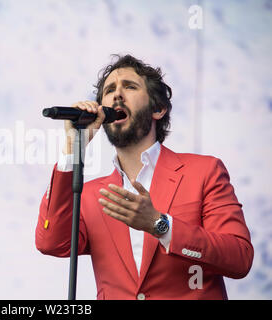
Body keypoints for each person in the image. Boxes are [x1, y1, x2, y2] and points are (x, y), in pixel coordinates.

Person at [35, 54, 253, 300]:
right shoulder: (90, 194)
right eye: (110, 90)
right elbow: (51, 242)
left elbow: (239, 257)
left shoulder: (204, 171)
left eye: (129, 86)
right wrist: (72, 148)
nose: (117, 94)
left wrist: (160, 225)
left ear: (158, 109)